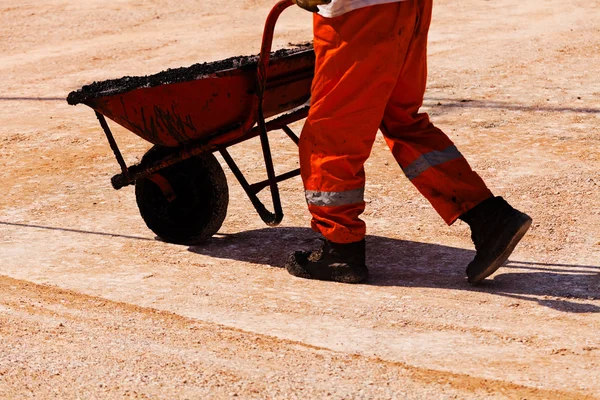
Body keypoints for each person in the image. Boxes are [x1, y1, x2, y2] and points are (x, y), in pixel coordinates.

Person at [286, 0, 532, 284]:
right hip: (407, 7)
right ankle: (489, 218)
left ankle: (340, 249)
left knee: (332, 132)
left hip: (358, 13)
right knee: (402, 121)